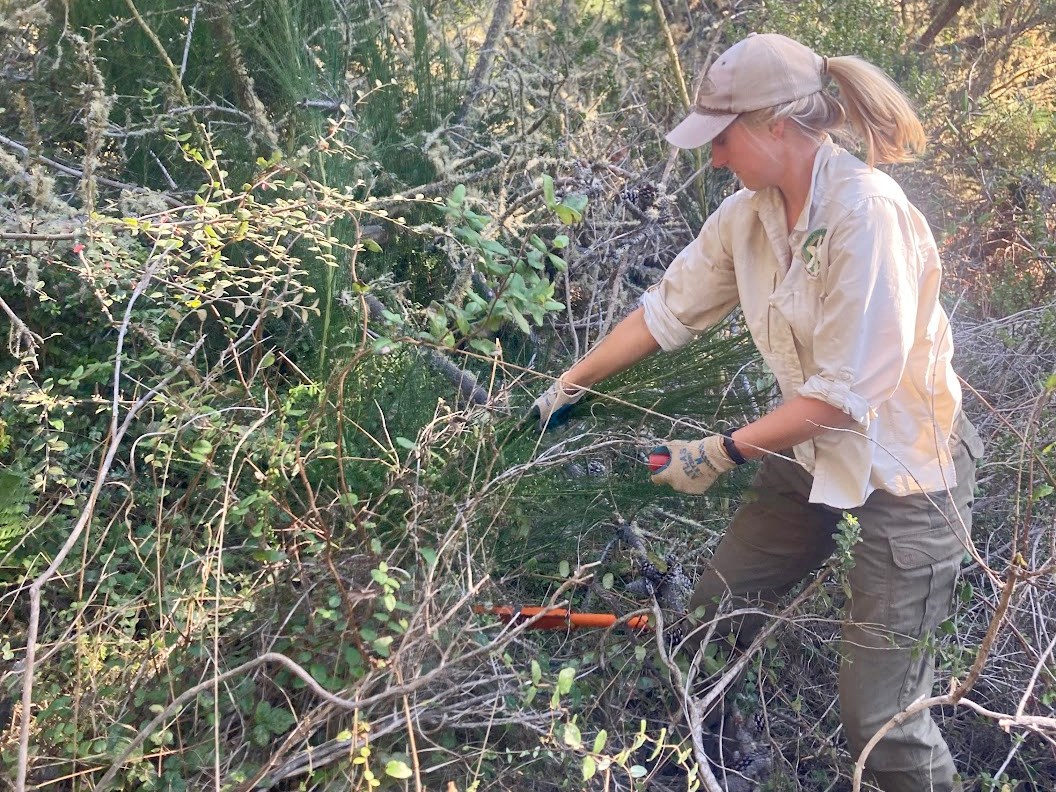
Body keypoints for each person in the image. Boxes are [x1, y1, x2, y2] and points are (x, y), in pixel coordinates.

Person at [530, 32, 983, 792]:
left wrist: (718, 452)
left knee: (882, 721)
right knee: (708, 624)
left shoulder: (866, 214)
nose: (713, 158)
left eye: (722, 138)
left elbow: (845, 399)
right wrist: (569, 385)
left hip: (910, 476)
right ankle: (720, 766)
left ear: (777, 125)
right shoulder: (748, 217)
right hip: (808, 454)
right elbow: (663, 313)